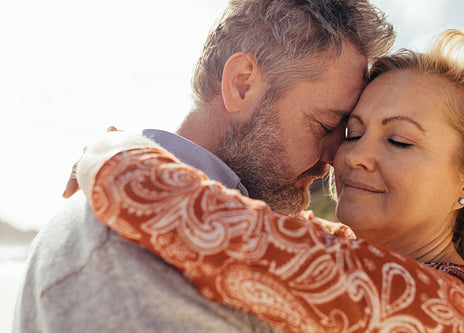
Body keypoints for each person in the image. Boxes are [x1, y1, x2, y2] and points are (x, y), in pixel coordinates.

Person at [74, 30, 464, 332]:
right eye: (351, 132)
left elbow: (211, 229)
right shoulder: (339, 247)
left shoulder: (454, 309)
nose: (353, 157)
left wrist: (117, 154)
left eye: (399, 140)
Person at [13, 1, 395, 332]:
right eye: (326, 126)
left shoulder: (237, 232)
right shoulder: (134, 259)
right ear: (242, 85)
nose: (334, 158)